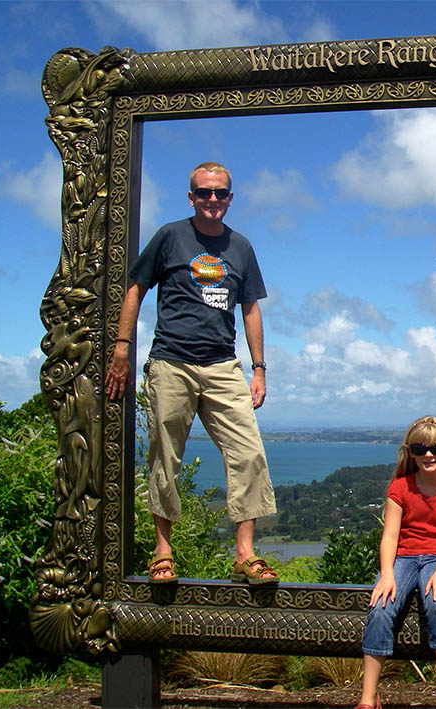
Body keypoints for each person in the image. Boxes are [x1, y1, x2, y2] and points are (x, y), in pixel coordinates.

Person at [104, 161, 278, 586]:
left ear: (231, 198)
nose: (212, 200)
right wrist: (121, 349)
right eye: (204, 192)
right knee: (165, 456)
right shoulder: (170, 236)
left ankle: (245, 555)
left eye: (220, 193)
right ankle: (163, 553)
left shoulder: (241, 247)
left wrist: (258, 368)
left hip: (222, 364)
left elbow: (251, 308)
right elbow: (136, 288)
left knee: (249, 453)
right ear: (191, 197)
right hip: (171, 361)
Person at [356, 416, 436, 709]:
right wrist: (386, 575)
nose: (429, 455)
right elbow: (389, 537)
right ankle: (369, 696)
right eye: (420, 449)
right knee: (381, 607)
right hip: (404, 557)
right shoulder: (400, 488)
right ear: (411, 453)